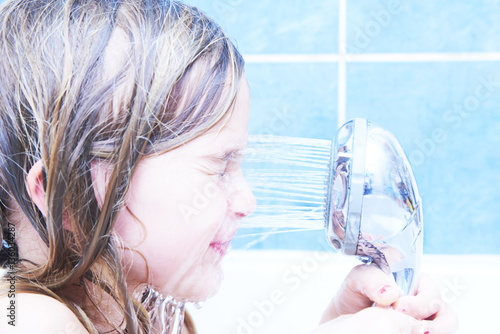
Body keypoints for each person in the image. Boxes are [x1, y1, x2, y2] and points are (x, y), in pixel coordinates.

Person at [0, 0, 457, 333]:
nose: (247, 202)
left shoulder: (146, 314)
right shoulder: (23, 317)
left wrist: (337, 322)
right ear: (70, 192)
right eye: (219, 169)